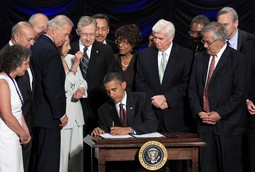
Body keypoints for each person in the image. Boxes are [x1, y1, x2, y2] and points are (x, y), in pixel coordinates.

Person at [188, 22, 248, 172]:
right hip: (204, 126)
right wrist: (199, 111)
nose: (205, 46)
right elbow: (192, 88)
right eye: (203, 41)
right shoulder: (199, 58)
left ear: (221, 40)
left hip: (229, 127)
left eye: (208, 42)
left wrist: (220, 113)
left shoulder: (238, 60)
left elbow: (239, 93)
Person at [135, 19, 193, 172]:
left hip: (176, 118)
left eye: (160, 38)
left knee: (177, 165)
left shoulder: (186, 55)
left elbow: (187, 83)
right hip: (151, 116)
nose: (156, 41)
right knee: (151, 163)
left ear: (171, 37)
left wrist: (167, 98)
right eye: (154, 37)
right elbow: (139, 82)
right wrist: (155, 99)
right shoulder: (144, 55)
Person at [30, 15, 72, 172]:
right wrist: (60, 114)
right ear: (54, 30)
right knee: (48, 163)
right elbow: (52, 88)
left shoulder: (37, 46)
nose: (66, 38)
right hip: (49, 117)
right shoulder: (50, 51)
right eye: (65, 34)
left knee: (38, 161)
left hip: (36, 116)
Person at [70, 16, 117, 135]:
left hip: (98, 105)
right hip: (74, 103)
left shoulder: (106, 50)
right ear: (77, 32)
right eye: (85, 34)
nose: (88, 38)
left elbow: (112, 75)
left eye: (91, 34)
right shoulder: (70, 49)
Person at [0, 20, 35, 172]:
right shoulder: (3, 82)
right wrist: (22, 133)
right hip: (6, 137)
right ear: (15, 63)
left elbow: (18, 109)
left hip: (16, 136)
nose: (28, 67)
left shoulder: (12, 80)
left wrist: (25, 131)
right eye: (26, 64)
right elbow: (7, 115)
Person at [91, 72, 158, 136]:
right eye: (108, 92)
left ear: (123, 85)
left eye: (114, 90)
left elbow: (152, 124)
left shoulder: (140, 99)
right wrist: (98, 131)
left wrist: (129, 130)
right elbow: (104, 131)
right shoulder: (103, 110)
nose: (111, 95)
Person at [59, 37, 88, 172]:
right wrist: (75, 65)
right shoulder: (52, 62)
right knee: (62, 158)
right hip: (63, 115)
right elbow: (63, 86)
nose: (70, 48)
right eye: (66, 45)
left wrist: (82, 89)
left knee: (77, 158)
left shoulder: (71, 57)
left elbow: (82, 81)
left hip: (77, 115)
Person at [114, 24, 142, 92]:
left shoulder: (139, 60)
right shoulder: (113, 58)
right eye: (119, 41)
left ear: (133, 44)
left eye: (124, 42)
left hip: (134, 99)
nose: (120, 45)